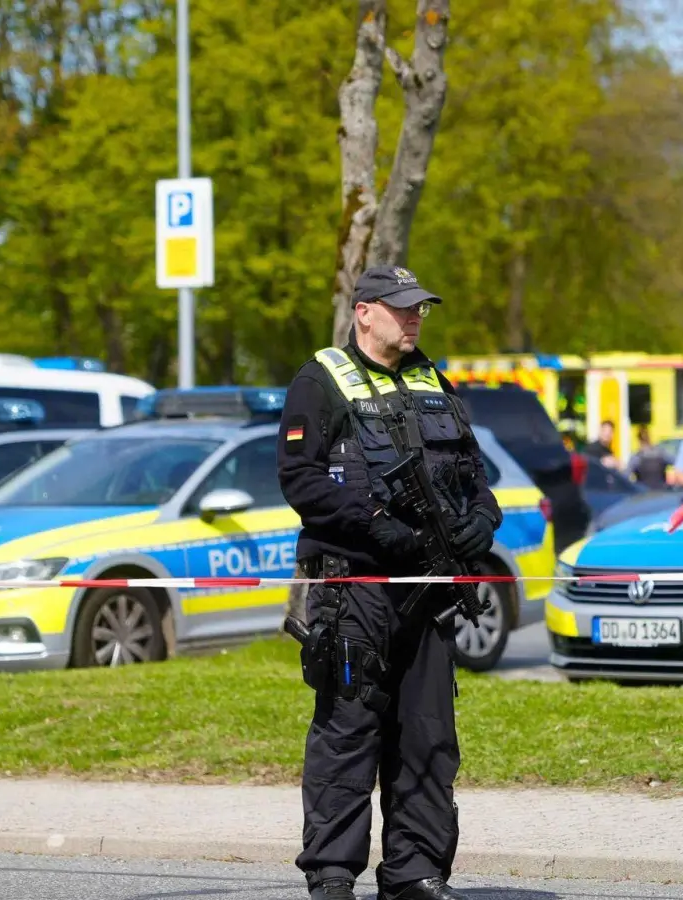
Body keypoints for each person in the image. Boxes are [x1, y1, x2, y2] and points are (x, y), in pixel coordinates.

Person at [277, 265, 501, 900]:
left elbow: (472, 471)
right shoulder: (320, 380)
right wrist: (379, 527)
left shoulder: (432, 378)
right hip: (359, 589)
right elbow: (302, 480)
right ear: (365, 311)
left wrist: (483, 521)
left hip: (427, 591)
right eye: (403, 309)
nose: (415, 319)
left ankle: (415, 872)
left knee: (428, 735)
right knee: (348, 733)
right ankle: (331, 874)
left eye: (421, 310)